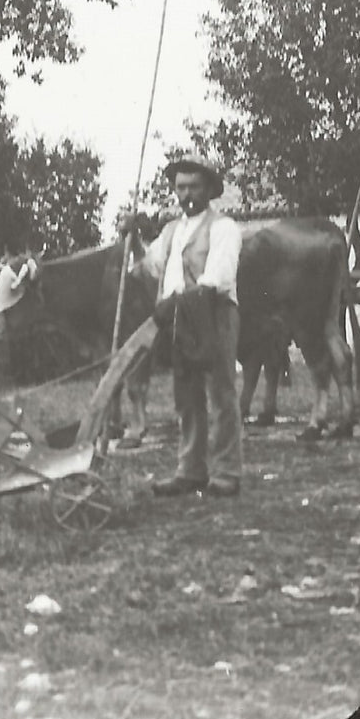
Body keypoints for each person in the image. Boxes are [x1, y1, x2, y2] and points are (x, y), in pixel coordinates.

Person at [133, 155, 244, 499]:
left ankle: (226, 472)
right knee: (186, 394)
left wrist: (179, 301)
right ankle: (191, 470)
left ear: (209, 189)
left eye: (194, 187)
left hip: (214, 313)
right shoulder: (171, 231)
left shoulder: (223, 228)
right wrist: (133, 238)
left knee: (221, 392)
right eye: (181, 187)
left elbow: (218, 277)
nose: (186, 194)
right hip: (178, 318)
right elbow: (150, 266)